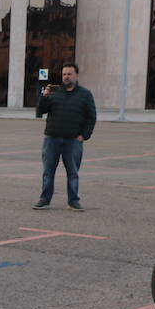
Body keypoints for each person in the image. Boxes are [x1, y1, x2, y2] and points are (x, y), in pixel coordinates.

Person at [33, 63, 96, 210]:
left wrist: (83, 136)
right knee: (48, 172)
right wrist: (44, 96)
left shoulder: (85, 94)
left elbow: (91, 117)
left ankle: (73, 201)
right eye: (64, 74)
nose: (66, 77)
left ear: (76, 76)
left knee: (73, 173)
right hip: (52, 139)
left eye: (69, 74)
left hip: (73, 141)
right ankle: (44, 199)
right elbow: (40, 111)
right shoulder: (54, 92)